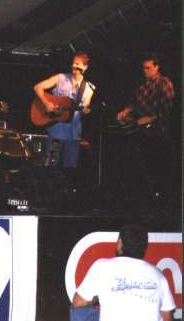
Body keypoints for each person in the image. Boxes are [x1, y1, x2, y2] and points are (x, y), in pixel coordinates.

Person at [72, 224, 175, 321]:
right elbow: (167, 317)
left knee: (79, 311)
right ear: (144, 247)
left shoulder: (102, 266)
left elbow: (78, 302)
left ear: (120, 243)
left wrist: (97, 299)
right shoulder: (159, 275)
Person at [115, 55, 175, 201]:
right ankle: (138, 195)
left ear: (156, 67)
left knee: (154, 165)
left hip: (156, 131)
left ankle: (158, 196)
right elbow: (134, 104)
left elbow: (168, 110)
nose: (145, 71)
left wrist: (152, 118)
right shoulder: (141, 84)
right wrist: (125, 112)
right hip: (140, 129)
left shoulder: (164, 83)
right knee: (136, 162)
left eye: (148, 68)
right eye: (143, 68)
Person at [33, 52, 95, 170]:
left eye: (77, 64)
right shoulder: (60, 78)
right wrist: (46, 103)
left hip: (73, 133)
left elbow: (85, 107)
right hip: (56, 130)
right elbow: (37, 87)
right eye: (73, 63)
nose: (74, 66)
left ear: (85, 67)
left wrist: (85, 110)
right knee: (49, 165)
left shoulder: (89, 87)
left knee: (70, 168)